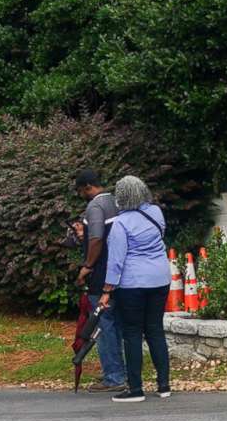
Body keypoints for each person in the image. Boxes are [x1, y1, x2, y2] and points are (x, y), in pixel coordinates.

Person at [104, 175, 175, 402]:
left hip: (132, 283)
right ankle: (164, 385)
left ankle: (136, 389)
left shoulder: (120, 224)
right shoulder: (155, 213)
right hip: (160, 278)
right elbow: (160, 235)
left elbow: (116, 260)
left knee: (132, 333)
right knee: (155, 330)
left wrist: (107, 288)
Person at [73, 168, 126, 395]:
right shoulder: (115, 202)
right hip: (120, 272)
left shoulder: (94, 206)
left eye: (80, 191)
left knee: (103, 324)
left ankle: (114, 376)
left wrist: (87, 266)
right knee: (117, 323)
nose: (81, 195)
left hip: (101, 274)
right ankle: (121, 372)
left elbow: (96, 239)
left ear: (87, 187)